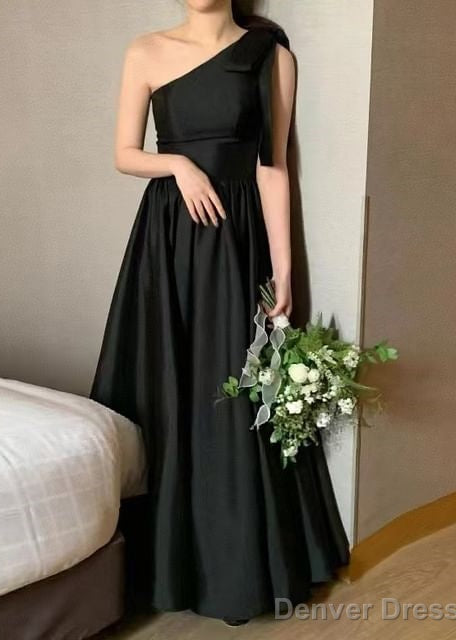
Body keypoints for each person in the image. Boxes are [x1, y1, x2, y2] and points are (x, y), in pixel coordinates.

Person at [90, 0, 349, 625]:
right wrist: (176, 163)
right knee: (165, 386)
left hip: (236, 242)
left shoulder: (271, 57)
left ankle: (235, 568)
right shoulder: (146, 50)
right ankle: (160, 562)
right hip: (169, 238)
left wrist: (284, 270)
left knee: (231, 392)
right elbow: (125, 152)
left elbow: (273, 168)